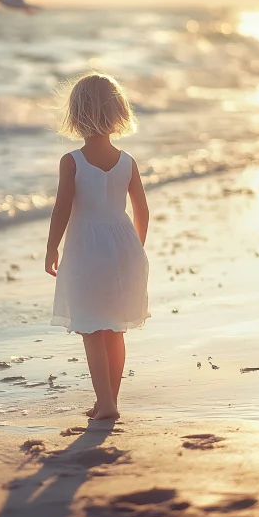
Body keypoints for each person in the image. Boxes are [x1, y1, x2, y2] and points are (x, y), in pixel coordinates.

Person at [45, 72, 150, 420]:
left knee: (92, 328)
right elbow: (142, 211)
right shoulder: (127, 161)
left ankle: (104, 401)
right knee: (115, 328)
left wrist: (51, 248)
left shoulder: (71, 161)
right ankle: (110, 401)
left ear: (76, 114)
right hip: (124, 248)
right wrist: (136, 249)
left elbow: (62, 209)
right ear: (118, 110)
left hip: (87, 250)